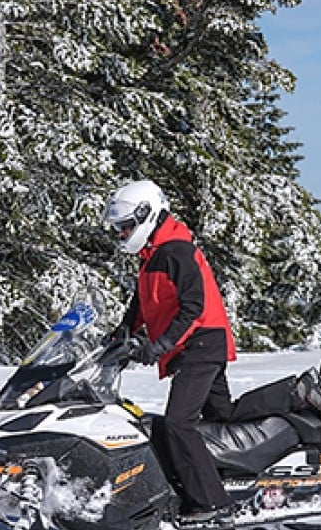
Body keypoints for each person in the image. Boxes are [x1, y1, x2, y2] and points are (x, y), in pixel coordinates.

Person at [103, 180, 237, 529]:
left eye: (125, 227)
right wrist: (122, 334)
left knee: (178, 422)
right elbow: (143, 302)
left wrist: (159, 346)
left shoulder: (174, 249)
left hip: (201, 343)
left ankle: (212, 501)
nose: (121, 235)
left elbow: (194, 305)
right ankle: (296, 398)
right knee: (225, 415)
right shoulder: (153, 253)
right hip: (195, 345)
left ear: (146, 215)